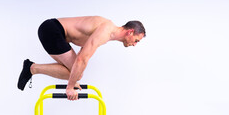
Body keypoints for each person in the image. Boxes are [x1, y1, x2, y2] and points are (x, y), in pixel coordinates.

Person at [18, 16, 146, 100]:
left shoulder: (106, 32)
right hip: (52, 30)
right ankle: (32, 68)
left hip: (52, 30)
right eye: (136, 40)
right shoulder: (105, 31)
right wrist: (70, 87)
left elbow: (80, 55)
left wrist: (72, 79)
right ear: (130, 32)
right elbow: (82, 60)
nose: (134, 44)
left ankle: (32, 68)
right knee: (76, 74)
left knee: (75, 73)